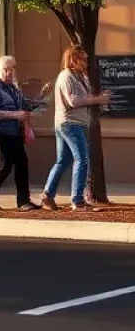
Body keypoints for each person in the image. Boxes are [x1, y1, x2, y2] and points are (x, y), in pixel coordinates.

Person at [41, 47, 110, 212]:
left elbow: (83, 98)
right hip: (70, 124)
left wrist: (97, 98)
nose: (86, 63)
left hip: (72, 123)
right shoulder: (66, 77)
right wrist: (98, 100)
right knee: (82, 159)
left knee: (63, 160)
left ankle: (48, 196)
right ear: (73, 60)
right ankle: (77, 201)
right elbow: (73, 101)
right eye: (83, 59)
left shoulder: (79, 77)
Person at [0, 55, 48, 212]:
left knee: (22, 164)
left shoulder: (14, 89)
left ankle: (23, 201)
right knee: (4, 165)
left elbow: (26, 105)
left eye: (11, 69)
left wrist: (42, 97)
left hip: (15, 132)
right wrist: (15, 115)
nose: (9, 73)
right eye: (5, 70)